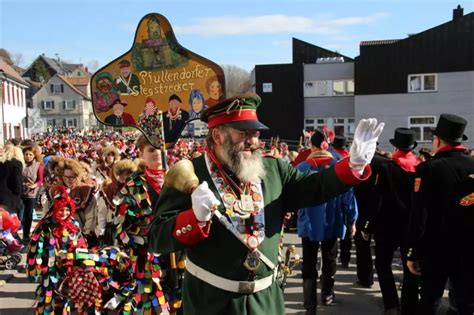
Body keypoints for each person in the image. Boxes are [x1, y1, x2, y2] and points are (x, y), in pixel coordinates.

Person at [148, 93, 383, 314]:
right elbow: (157, 237)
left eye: (256, 133)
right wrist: (194, 218)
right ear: (218, 135)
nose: (253, 141)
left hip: (266, 300)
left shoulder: (273, 169)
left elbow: (316, 187)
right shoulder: (190, 173)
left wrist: (353, 166)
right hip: (211, 302)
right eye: (243, 133)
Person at [407, 114, 474, 315]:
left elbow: (419, 215)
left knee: (430, 300)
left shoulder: (428, 169)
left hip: (436, 248)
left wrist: (414, 252)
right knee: (466, 303)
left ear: (437, 140)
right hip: (469, 247)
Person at [296, 130, 358, 313]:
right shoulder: (339, 166)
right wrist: (351, 220)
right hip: (333, 219)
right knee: (330, 258)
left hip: (308, 221)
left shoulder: (302, 168)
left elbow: (293, 195)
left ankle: (310, 305)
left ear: (312, 146)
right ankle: (327, 294)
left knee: (309, 262)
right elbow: (349, 197)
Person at [369, 128, 421, 315]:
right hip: (410, 226)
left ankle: (391, 305)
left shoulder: (386, 167)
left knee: (383, 265)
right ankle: (409, 306)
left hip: (386, 225)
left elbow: (377, 200)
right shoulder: (419, 168)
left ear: (395, 145)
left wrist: (369, 225)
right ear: (412, 146)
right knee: (411, 267)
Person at [21, 145, 44, 242]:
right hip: (20, 192)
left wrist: (34, 185)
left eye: (30, 154)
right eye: (26, 154)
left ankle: (26, 235)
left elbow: (40, 180)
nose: (28, 156)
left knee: (28, 214)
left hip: (31, 193)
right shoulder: (20, 164)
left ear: (34, 155)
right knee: (20, 214)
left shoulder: (38, 165)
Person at [0, 145, 23, 216]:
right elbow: (17, 180)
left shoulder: (1, 163)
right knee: (11, 220)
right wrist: (20, 192)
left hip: (1, 195)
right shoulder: (17, 163)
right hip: (11, 196)